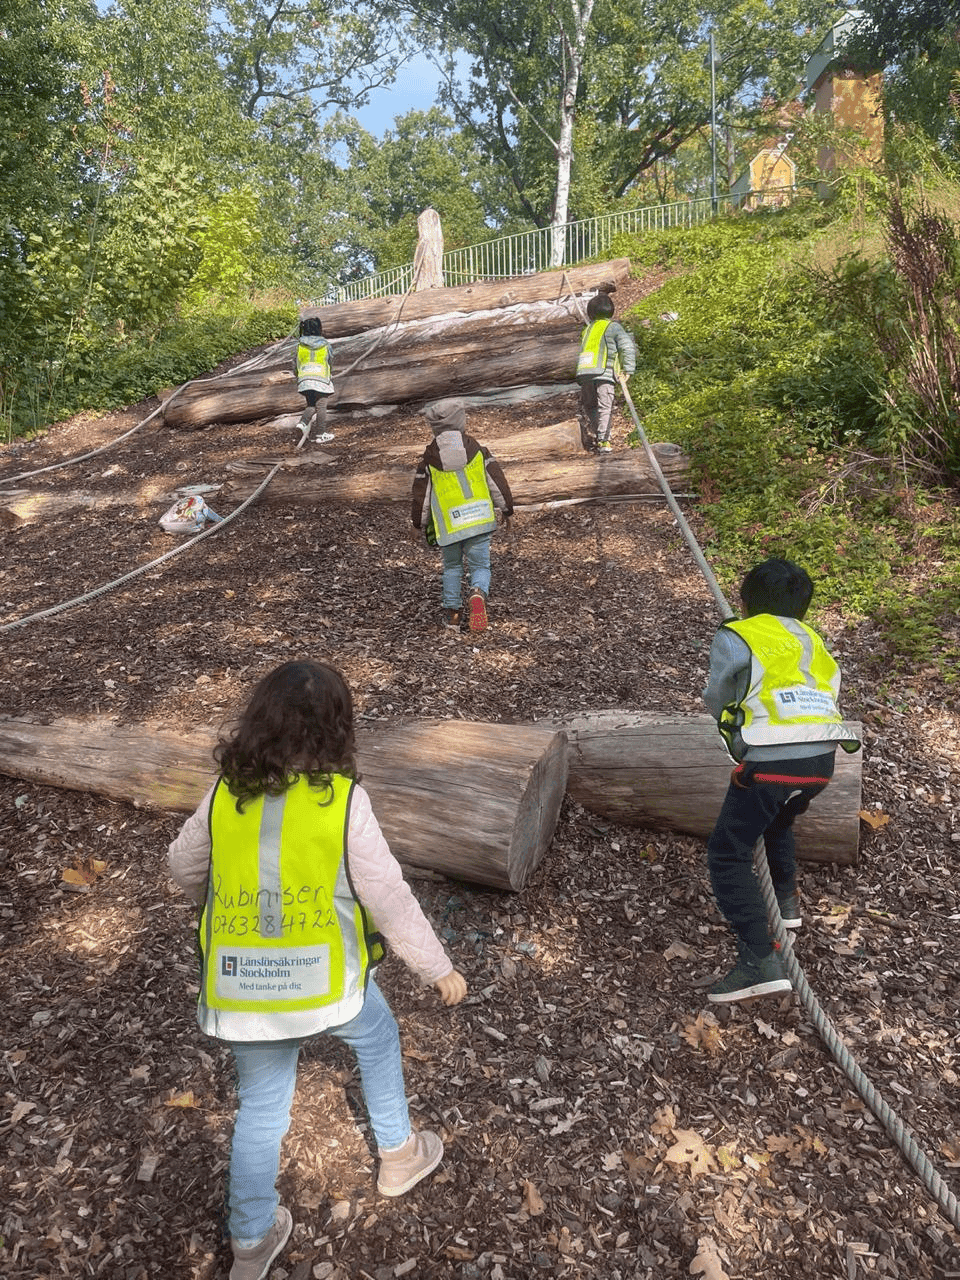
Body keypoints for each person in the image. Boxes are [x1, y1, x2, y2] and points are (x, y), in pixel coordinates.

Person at [167, 660, 468, 1280]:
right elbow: (387, 895)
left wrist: (214, 900)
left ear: (257, 724)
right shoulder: (342, 802)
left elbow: (183, 866)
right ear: (339, 730)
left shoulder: (226, 795)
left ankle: (251, 1238)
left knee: (261, 1110)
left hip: (243, 989)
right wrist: (435, 965)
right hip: (326, 984)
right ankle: (398, 1153)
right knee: (378, 1038)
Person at [702, 558, 860, 1004]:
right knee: (779, 821)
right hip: (822, 763)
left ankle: (759, 958)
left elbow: (718, 695)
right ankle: (786, 907)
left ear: (745, 602)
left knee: (728, 852)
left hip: (771, 763)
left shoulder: (739, 634)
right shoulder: (812, 638)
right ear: (802, 608)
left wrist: (735, 734)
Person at [411, 398, 514, 633]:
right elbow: (497, 482)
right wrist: (507, 510)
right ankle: (477, 592)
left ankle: (453, 615)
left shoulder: (429, 460)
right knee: (480, 566)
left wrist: (417, 523)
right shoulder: (478, 451)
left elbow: (421, 496)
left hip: (449, 525)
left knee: (452, 567)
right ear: (461, 422)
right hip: (479, 520)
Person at [575, 292, 636, 453]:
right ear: (611, 311)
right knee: (605, 406)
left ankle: (599, 435)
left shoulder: (587, 330)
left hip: (585, 373)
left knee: (590, 406)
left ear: (591, 313)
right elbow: (627, 346)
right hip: (605, 374)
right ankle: (604, 440)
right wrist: (628, 369)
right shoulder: (613, 327)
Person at [293, 316, 335, 446]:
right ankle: (320, 434)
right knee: (321, 406)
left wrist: (299, 377)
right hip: (321, 379)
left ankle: (303, 423)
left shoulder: (299, 345)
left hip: (305, 379)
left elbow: (295, 364)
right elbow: (330, 361)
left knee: (311, 404)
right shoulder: (326, 345)